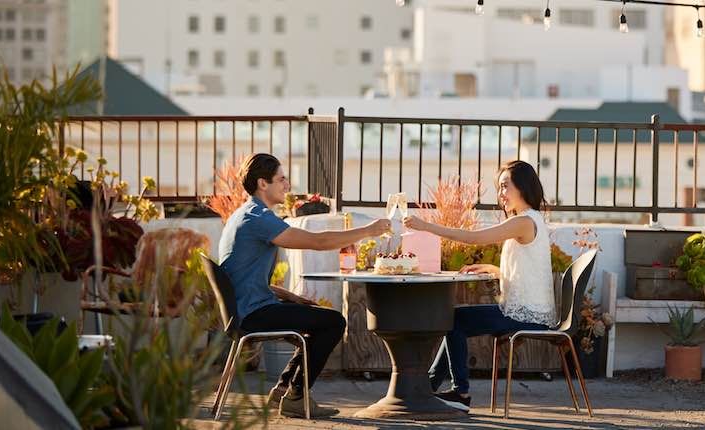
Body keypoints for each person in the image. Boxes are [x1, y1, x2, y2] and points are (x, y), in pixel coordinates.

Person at [219, 153, 390, 417]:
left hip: (247, 308)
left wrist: (291, 297)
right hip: (253, 313)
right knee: (333, 323)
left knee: (319, 322)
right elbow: (318, 242)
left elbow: (241, 276)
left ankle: (284, 389)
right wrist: (368, 230)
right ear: (263, 183)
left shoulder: (244, 213)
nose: (287, 186)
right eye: (281, 179)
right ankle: (296, 396)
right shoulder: (259, 218)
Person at [403, 160, 557, 407]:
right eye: (499, 188)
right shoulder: (531, 220)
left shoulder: (523, 222)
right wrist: (494, 269)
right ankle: (430, 385)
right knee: (454, 319)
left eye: (505, 187)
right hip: (530, 311)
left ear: (523, 187)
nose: (501, 194)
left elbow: (475, 238)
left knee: (453, 320)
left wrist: (426, 226)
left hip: (526, 315)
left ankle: (459, 393)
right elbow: (529, 271)